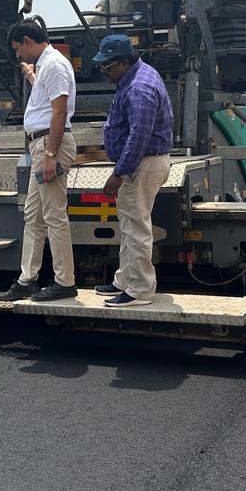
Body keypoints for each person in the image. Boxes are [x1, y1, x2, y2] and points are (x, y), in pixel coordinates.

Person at [0, 20, 78, 302]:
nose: (18, 54)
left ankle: (65, 282)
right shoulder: (46, 66)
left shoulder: (54, 65)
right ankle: (27, 279)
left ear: (27, 41)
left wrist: (50, 156)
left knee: (54, 216)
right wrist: (32, 76)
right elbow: (47, 96)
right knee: (33, 215)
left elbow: (59, 113)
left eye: (18, 49)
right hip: (42, 145)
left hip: (49, 145)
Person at [93, 35, 173, 307]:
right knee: (129, 224)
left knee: (136, 227)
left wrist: (119, 173)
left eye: (107, 66)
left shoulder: (139, 89)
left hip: (142, 164)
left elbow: (139, 136)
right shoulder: (137, 77)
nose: (103, 71)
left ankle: (140, 289)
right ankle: (125, 279)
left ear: (124, 62)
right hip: (144, 162)